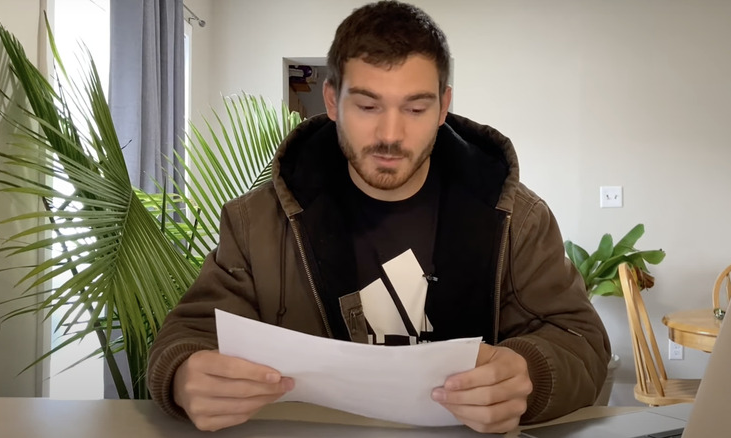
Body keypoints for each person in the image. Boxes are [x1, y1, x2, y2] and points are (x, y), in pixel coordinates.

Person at [147, 0, 610, 434]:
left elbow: (582, 341)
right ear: (331, 101)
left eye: (415, 107)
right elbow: (189, 333)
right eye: (367, 106)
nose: (391, 134)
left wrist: (530, 372)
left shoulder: (517, 218)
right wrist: (183, 374)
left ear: (444, 106)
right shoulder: (257, 221)